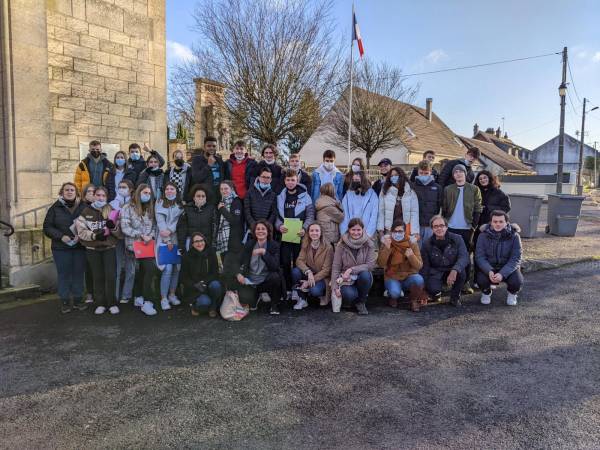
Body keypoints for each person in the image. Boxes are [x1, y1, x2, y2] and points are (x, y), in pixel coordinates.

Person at [75, 186, 121, 315]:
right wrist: (95, 236)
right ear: (94, 196)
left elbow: (120, 233)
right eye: (98, 195)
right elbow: (81, 231)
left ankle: (112, 303)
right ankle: (100, 303)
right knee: (97, 276)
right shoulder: (85, 212)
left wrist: (114, 228)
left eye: (103, 196)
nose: (101, 198)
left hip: (109, 248)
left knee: (110, 276)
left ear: (107, 198)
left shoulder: (111, 210)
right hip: (92, 249)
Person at [43, 182, 87, 313]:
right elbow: (47, 227)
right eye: (66, 190)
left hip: (79, 246)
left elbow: (90, 224)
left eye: (72, 190)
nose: (69, 192)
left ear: (76, 192)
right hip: (60, 247)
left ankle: (78, 299)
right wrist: (61, 236)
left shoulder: (83, 207)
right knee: (64, 274)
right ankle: (65, 301)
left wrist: (82, 235)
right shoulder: (55, 208)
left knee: (78, 273)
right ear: (62, 192)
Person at [443, 164, 483, 293]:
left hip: (467, 229)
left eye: (461, 171)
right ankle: (448, 281)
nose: (458, 174)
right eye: (456, 172)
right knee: (449, 255)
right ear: (453, 175)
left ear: (465, 174)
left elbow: (478, 208)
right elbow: (444, 208)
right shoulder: (448, 189)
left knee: (465, 256)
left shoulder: (474, 189)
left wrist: (473, 226)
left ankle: (465, 283)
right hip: (450, 228)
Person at [276, 169, 315, 300]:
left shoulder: (306, 196)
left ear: (297, 180)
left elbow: (310, 215)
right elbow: (276, 216)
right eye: (288, 180)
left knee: (299, 263)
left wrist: (305, 228)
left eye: (293, 180)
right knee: (285, 262)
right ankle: (287, 289)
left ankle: (298, 290)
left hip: (300, 236)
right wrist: (279, 226)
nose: (290, 182)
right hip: (285, 236)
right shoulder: (280, 197)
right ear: (284, 181)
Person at [120, 184, 158, 316]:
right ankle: (144, 300)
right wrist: (140, 235)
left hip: (147, 245)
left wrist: (150, 236)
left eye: (149, 193)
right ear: (138, 193)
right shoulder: (127, 207)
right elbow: (125, 227)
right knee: (139, 271)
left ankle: (142, 297)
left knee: (148, 270)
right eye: (144, 193)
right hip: (134, 245)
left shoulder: (150, 208)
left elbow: (154, 226)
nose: (147, 195)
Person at [475, 210, 523, 306]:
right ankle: (486, 292)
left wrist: (502, 273)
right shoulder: (483, 235)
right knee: (480, 279)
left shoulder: (515, 236)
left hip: (507, 267)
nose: (498, 224)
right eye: (495, 221)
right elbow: (480, 257)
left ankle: (512, 293)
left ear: (506, 222)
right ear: (491, 222)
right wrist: (489, 270)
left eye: (501, 221)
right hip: (490, 267)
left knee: (517, 281)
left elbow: (516, 258)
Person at [377, 220, 427, 311]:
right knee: (394, 293)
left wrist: (411, 256)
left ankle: (414, 300)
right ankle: (392, 296)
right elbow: (381, 263)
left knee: (419, 279)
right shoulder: (387, 242)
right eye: (395, 231)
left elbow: (419, 266)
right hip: (392, 276)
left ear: (405, 232)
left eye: (400, 231)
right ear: (391, 232)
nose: (397, 234)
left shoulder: (412, 243)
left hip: (408, 276)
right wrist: (387, 248)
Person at [235, 220, 283, 315]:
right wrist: (238, 274)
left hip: (266, 279)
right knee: (245, 299)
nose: (260, 231)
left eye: (263, 229)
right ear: (254, 231)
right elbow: (237, 261)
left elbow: (275, 266)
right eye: (258, 229)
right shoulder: (249, 244)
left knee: (276, 277)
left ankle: (274, 304)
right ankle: (255, 296)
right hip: (250, 280)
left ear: (268, 232)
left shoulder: (274, 245)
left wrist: (264, 252)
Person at [421, 215, 469, 307]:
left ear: (446, 227)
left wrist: (455, 270)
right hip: (436, 272)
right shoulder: (426, 244)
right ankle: (436, 293)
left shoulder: (457, 239)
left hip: (453, 269)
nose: (439, 228)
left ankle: (455, 297)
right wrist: (423, 289)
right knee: (433, 289)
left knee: (462, 272)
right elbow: (425, 267)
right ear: (432, 229)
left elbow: (464, 257)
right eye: (435, 226)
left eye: (441, 225)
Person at [331, 218, 376, 315]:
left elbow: (370, 265)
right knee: (349, 295)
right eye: (353, 230)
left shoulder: (369, 244)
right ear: (349, 230)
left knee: (365, 275)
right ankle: (352, 300)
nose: (356, 232)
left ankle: (361, 302)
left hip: (362, 278)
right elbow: (336, 266)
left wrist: (351, 269)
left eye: (358, 230)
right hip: (346, 279)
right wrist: (335, 287)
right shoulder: (341, 244)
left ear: (363, 230)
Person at [155, 182, 184, 311]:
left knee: (176, 268)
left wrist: (171, 230)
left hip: (177, 239)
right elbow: (160, 222)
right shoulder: (159, 203)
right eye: (167, 189)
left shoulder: (181, 205)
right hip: (163, 240)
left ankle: (172, 294)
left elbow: (179, 221)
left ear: (176, 191)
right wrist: (167, 239)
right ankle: (164, 298)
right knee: (167, 269)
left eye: (172, 189)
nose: (169, 191)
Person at [291, 223, 334, 309]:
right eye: (311, 231)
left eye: (317, 231)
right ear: (308, 232)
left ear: (321, 233)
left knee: (315, 291)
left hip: (321, 277)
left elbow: (326, 270)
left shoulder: (328, 247)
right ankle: (302, 299)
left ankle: (321, 294)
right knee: (295, 271)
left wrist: (309, 281)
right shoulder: (306, 243)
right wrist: (308, 271)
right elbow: (299, 260)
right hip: (309, 273)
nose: (314, 233)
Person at [180, 232, 223, 317]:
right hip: (195, 288)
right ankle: (195, 307)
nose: (199, 243)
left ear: (205, 241)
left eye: (201, 240)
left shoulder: (211, 253)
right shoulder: (187, 257)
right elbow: (183, 277)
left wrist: (204, 282)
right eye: (196, 241)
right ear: (192, 244)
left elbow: (215, 273)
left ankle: (213, 307)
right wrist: (195, 285)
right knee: (204, 302)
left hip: (208, 283)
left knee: (216, 285)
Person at [109, 179, 135, 304]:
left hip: (131, 239)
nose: (121, 189)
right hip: (117, 239)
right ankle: (114, 295)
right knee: (117, 268)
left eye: (124, 187)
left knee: (131, 268)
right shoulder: (112, 203)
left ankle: (126, 294)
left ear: (130, 190)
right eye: (120, 187)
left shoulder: (135, 203)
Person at [215, 181, 245, 288]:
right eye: (221, 189)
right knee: (226, 269)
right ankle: (229, 293)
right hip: (224, 241)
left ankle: (234, 292)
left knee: (233, 270)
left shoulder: (236, 201)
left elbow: (235, 221)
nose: (223, 191)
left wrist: (222, 209)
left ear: (232, 189)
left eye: (226, 188)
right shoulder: (222, 202)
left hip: (234, 241)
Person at [376, 167, 420, 239]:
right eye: (391, 176)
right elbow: (381, 212)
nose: (394, 177)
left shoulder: (410, 191)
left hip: (405, 228)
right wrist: (380, 230)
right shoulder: (385, 190)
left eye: (396, 175)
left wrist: (415, 232)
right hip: (389, 228)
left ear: (401, 176)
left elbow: (414, 212)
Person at [176, 185, 215, 251]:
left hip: (207, 244)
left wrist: (213, 245)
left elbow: (215, 228)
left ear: (206, 198)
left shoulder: (212, 209)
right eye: (198, 196)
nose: (201, 198)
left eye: (203, 196)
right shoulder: (187, 209)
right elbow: (181, 229)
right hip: (191, 244)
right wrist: (181, 246)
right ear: (194, 198)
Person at [412, 160, 442, 245]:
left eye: (426, 173)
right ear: (418, 172)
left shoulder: (438, 188)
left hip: (431, 226)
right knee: (416, 249)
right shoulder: (412, 187)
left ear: (430, 172)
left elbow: (439, 207)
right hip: (416, 226)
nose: (423, 175)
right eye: (421, 173)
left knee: (429, 249)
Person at [340, 171, 378, 238]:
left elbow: (374, 216)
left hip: (366, 234)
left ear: (363, 180)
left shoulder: (372, 195)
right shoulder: (348, 195)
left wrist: (368, 234)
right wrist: (344, 233)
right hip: (350, 233)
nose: (355, 182)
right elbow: (344, 215)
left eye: (357, 180)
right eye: (353, 180)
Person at [191, 136, 225, 202]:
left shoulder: (219, 160)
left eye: (214, 146)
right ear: (204, 147)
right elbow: (196, 178)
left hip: (218, 196)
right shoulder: (197, 160)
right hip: (204, 197)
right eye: (209, 146)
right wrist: (208, 165)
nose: (212, 148)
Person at [81, 183, 96, 304]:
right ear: (84, 194)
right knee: (89, 269)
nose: (91, 194)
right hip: (86, 242)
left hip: (99, 242)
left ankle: (98, 292)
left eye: (93, 192)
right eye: (89, 192)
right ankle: (90, 293)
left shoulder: (101, 206)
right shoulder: (81, 208)